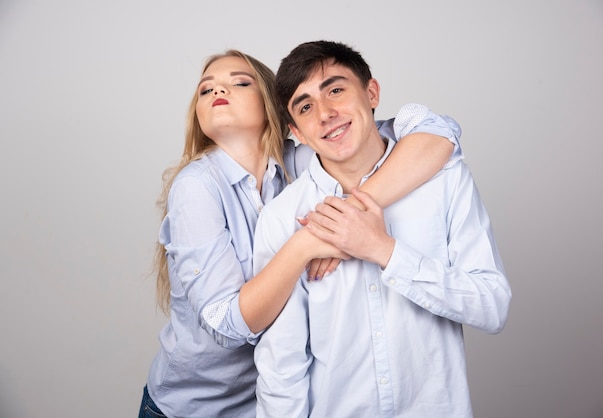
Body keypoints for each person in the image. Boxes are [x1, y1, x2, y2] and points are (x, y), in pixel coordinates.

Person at [139, 48, 462, 418]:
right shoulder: (196, 187)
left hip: (274, 402)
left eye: (239, 82)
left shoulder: (301, 161)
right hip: (196, 409)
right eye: (205, 89)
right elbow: (228, 325)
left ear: (274, 107)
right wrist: (310, 241)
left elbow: (438, 136)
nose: (217, 92)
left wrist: (348, 215)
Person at [253, 40, 512, 418]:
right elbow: (282, 368)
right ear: (298, 132)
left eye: (336, 90)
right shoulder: (283, 218)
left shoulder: (443, 179)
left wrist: (386, 252)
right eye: (306, 107)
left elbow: (492, 306)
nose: (325, 114)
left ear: (371, 93)